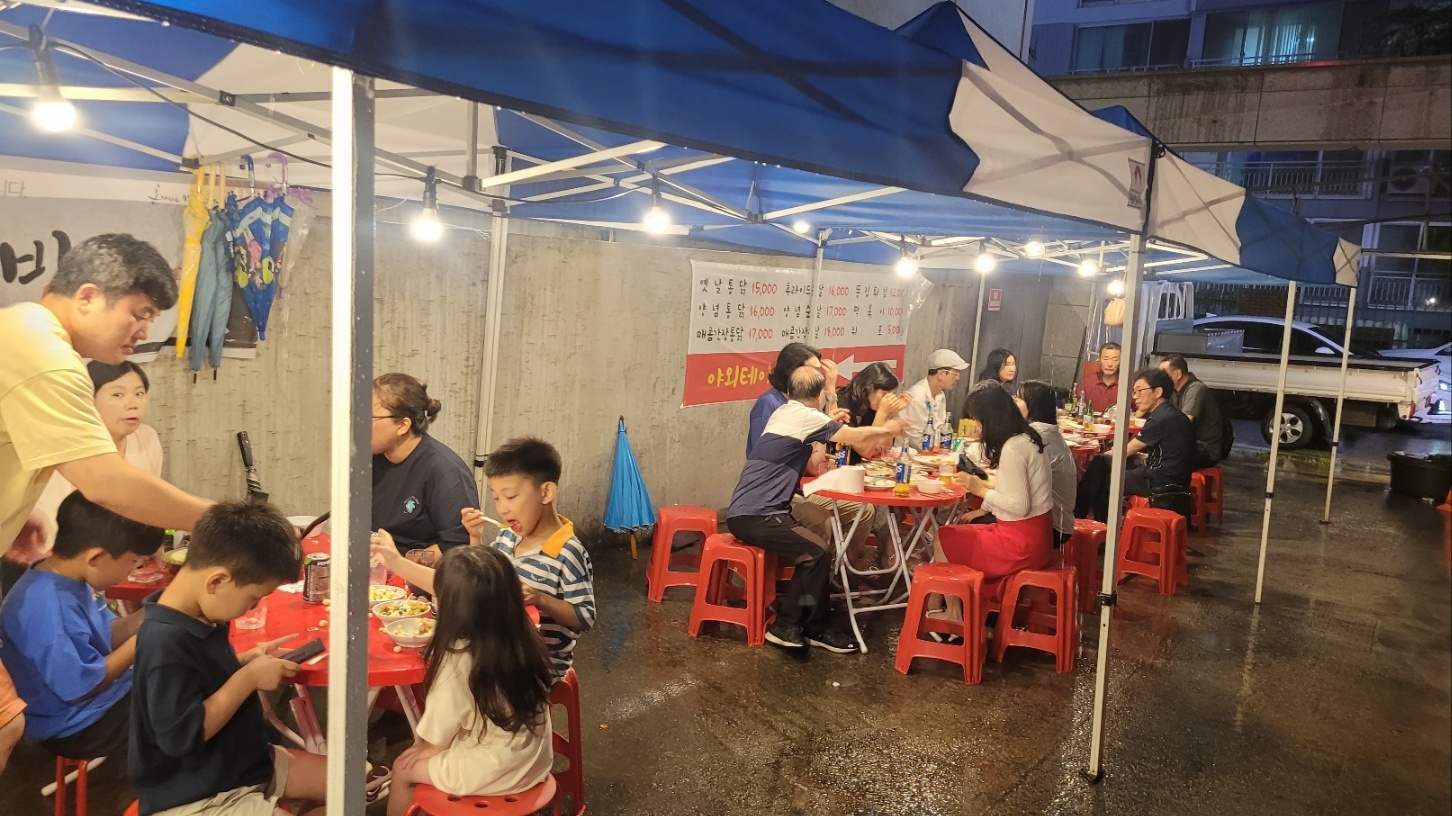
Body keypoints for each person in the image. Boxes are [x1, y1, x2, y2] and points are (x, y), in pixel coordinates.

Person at [0, 233, 212, 774]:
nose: (144, 332)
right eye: (139, 315)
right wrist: (222, 521)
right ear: (89, 296)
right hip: (76, 721)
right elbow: (105, 484)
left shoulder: (24, 332)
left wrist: (13, 518)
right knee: (6, 724)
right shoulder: (46, 356)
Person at [129, 501, 346, 816]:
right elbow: (182, 738)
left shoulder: (203, 613)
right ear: (217, 581)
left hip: (238, 764)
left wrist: (245, 661)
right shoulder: (165, 641)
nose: (251, 608)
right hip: (195, 795)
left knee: (353, 784)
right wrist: (248, 678)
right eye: (253, 598)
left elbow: (200, 680)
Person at [374, 437, 596, 679]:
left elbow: (584, 616)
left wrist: (540, 598)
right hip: (495, 647)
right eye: (496, 498)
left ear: (546, 492)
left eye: (510, 497)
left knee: (448, 672)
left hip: (535, 664)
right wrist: (475, 538)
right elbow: (481, 582)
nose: (502, 509)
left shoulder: (568, 551)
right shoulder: (507, 536)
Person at [725, 366, 903, 653]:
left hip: (759, 510)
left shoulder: (785, 412)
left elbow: (820, 436)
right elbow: (857, 439)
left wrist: (829, 421)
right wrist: (887, 429)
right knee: (816, 553)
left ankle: (811, 625)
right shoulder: (806, 416)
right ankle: (791, 625)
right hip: (756, 514)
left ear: (789, 392)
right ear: (819, 394)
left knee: (816, 551)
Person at [387, 546, 554, 816]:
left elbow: (438, 735)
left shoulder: (458, 657)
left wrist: (428, 749)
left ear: (451, 607)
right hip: (535, 759)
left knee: (402, 769)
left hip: (497, 770)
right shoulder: (525, 634)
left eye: (437, 594)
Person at [0, 493, 161, 763]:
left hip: (103, 700)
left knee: (187, 674)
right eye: (134, 561)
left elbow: (104, 637)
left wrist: (152, 614)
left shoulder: (69, 577)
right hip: (79, 724)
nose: (133, 569)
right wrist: (144, 638)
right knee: (189, 701)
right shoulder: (44, 604)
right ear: (96, 557)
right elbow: (80, 688)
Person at [4, 360, 166, 592]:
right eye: (118, 395)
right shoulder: (62, 444)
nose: (133, 404)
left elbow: (150, 504)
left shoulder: (147, 439)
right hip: (53, 558)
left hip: (119, 558)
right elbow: (53, 524)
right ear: (88, 402)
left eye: (139, 393)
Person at [936, 385, 1054, 619]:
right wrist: (985, 503)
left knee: (943, 537)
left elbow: (1020, 506)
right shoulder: (1027, 438)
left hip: (1020, 544)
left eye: (978, 421)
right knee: (960, 530)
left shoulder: (1013, 449)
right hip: (1038, 537)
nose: (977, 427)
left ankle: (953, 613)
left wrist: (979, 489)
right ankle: (951, 607)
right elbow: (1014, 490)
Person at [372, 373, 480, 565]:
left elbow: (457, 545)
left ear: (402, 425)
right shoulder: (370, 458)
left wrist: (399, 564)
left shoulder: (445, 471)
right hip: (374, 560)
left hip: (416, 572)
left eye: (369, 417)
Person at [1075, 368, 1196, 521]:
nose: (1135, 397)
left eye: (1140, 391)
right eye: (1134, 392)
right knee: (1102, 463)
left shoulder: (1161, 418)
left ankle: (1095, 525)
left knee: (1105, 478)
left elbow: (1123, 452)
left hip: (1162, 480)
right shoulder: (1167, 413)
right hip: (1168, 473)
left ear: (1158, 392)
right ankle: (1082, 517)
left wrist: (1102, 453)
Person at [746, 342, 842, 454]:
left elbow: (833, 437)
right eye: (813, 370)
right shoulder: (768, 403)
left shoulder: (809, 400)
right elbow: (760, 452)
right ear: (792, 373)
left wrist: (830, 390)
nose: (819, 376)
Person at [1015, 380, 1078, 547]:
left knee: (970, 525)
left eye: (1017, 399)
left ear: (1033, 405)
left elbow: (1017, 492)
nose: (1012, 403)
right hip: (1061, 525)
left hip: (1049, 529)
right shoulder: (1048, 433)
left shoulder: (1035, 438)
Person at [1159, 355, 1228, 468]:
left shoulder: (1196, 388)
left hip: (1205, 449)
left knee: (1161, 456)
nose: (1160, 378)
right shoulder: (1174, 391)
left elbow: (1184, 422)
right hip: (1188, 444)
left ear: (1177, 374)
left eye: (1163, 373)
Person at [900, 349, 967, 450]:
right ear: (941, 374)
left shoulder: (940, 395)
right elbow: (914, 436)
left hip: (931, 451)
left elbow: (941, 427)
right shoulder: (918, 394)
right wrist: (934, 452)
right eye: (955, 373)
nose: (957, 378)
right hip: (910, 451)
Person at [1081, 342, 1122, 413]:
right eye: (1106, 359)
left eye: (1115, 360)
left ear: (1121, 362)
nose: (1110, 364)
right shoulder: (1089, 381)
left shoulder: (1127, 385)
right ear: (1099, 360)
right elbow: (1078, 404)